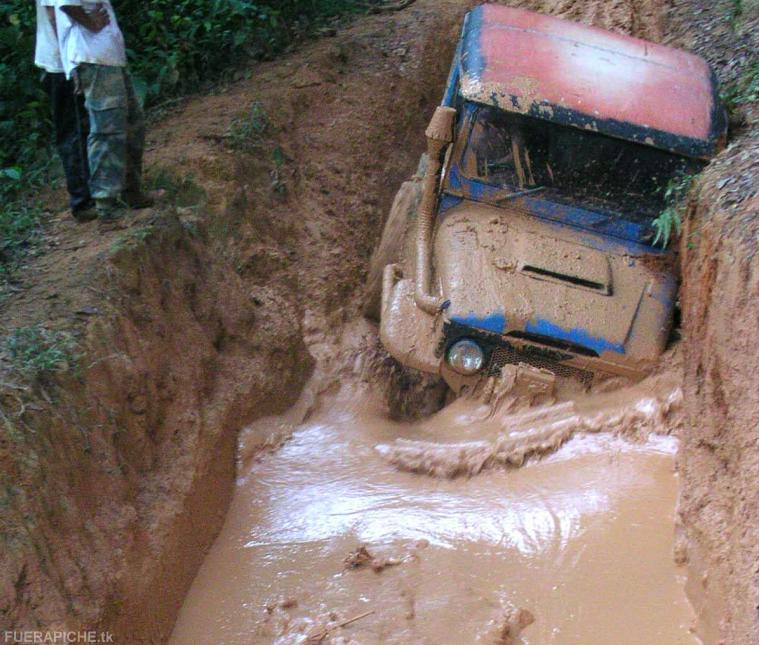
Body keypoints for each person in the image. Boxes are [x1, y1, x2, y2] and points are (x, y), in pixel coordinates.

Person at [54, 0, 156, 222]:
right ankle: (106, 204)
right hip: (93, 58)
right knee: (107, 129)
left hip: (107, 56)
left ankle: (131, 191)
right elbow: (65, 3)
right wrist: (91, 22)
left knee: (132, 123)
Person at [34, 0, 94, 222]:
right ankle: (83, 201)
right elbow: (54, 17)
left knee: (80, 129)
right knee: (75, 131)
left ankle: (89, 195)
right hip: (62, 65)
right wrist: (72, 64)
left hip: (65, 63)